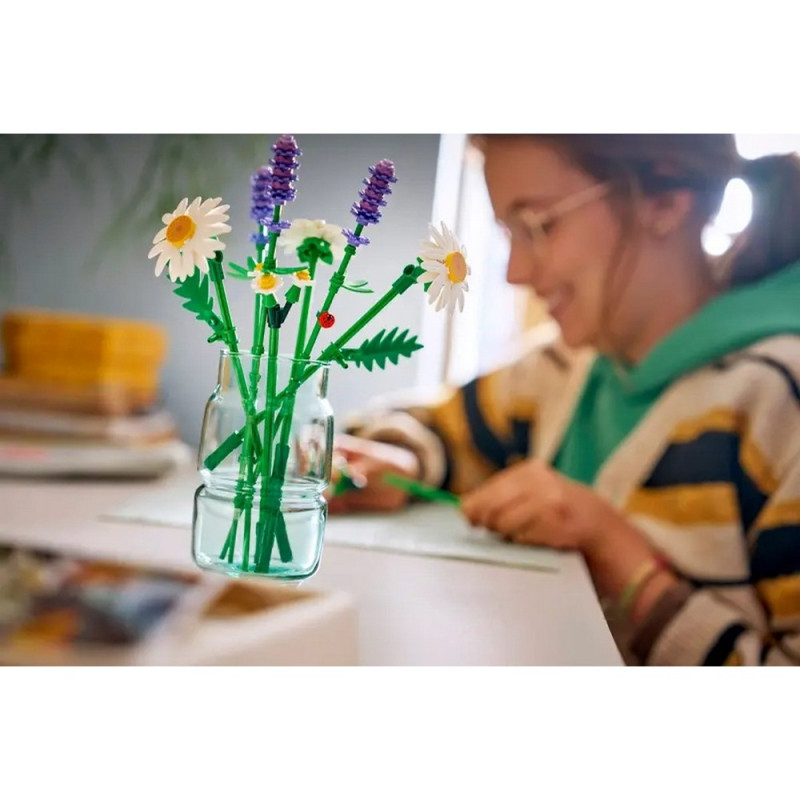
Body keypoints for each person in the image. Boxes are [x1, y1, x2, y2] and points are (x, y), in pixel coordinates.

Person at [329, 134, 800, 667]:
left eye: (539, 224)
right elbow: (434, 427)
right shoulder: (562, 372)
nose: (516, 273)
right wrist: (406, 459)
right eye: (508, 233)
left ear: (664, 201)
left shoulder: (778, 400)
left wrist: (619, 558)